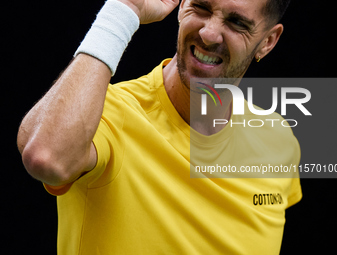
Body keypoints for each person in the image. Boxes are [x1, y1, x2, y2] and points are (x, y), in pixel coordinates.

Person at [17, 0, 302, 254]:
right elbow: (45, 157)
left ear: (268, 41)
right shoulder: (107, 111)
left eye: (237, 22)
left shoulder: (279, 139)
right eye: (200, 7)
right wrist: (122, 11)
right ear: (181, 6)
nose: (208, 33)